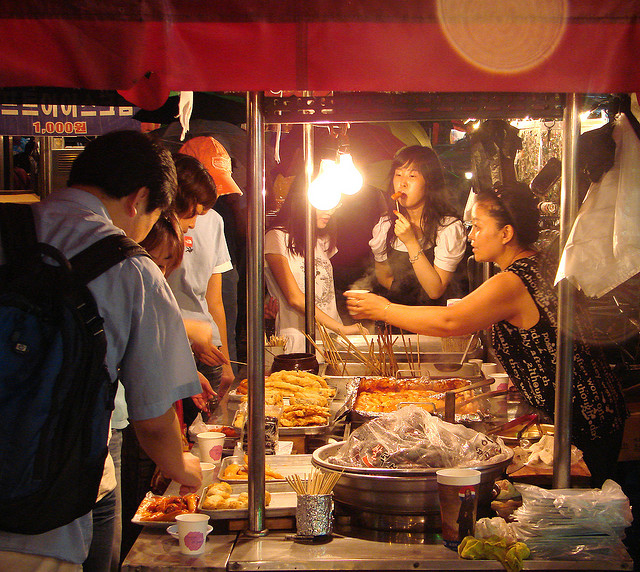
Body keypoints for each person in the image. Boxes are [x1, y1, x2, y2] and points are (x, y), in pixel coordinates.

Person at [0, 130, 203, 571]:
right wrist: (185, 467)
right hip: (41, 518)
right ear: (139, 198)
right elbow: (153, 421)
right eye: (153, 217)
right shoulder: (132, 268)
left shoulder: (8, 229)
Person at [347, 181, 628, 488]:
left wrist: (383, 309)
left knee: (576, 513)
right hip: (588, 409)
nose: (471, 237)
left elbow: (450, 321)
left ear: (506, 234)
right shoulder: (538, 264)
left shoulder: (515, 280)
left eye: (478, 227)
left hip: (581, 418)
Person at [167, 153, 234, 409]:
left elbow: (214, 298)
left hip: (208, 347)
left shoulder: (214, 221)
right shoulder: (155, 228)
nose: (195, 223)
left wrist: (226, 360)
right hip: (167, 347)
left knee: (208, 432)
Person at [265, 179, 362, 353]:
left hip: (331, 339)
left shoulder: (320, 239)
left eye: (334, 205)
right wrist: (343, 329)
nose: (330, 211)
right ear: (304, 202)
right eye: (323, 204)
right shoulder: (276, 238)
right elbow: (295, 298)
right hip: (299, 341)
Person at [369, 145, 468, 306]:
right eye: (398, 174)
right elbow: (383, 275)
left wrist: (410, 242)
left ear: (430, 182)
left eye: (412, 176)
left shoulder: (448, 227)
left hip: (434, 322)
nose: (402, 183)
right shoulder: (386, 224)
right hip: (397, 319)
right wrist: (403, 295)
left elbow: (435, 290)